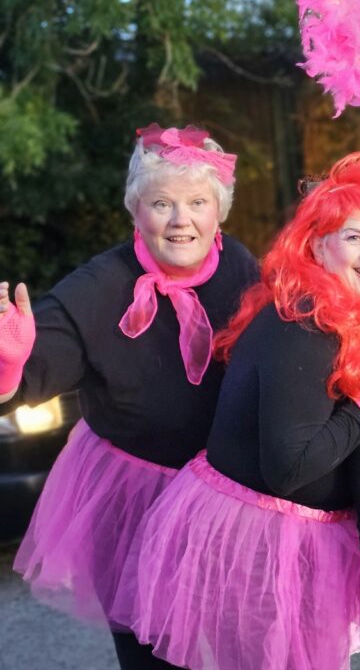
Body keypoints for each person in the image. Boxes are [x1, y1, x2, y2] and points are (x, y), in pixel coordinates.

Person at [113, 152, 360, 670]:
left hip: (294, 533)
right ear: (316, 245)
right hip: (254, 539)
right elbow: (289, 469)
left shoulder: (348, 314)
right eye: (354, 236)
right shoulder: (304, 326)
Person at [0, 124, 259, 669]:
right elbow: (34, 372)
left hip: (221, 494)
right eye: (161, 202)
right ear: (135, 210)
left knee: (235, 642)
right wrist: (10, 361)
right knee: (151, 651)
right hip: (134, 498)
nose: (180, 219)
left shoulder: (240, 266)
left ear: (220, 212)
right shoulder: (99, 284)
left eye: (196, 202)